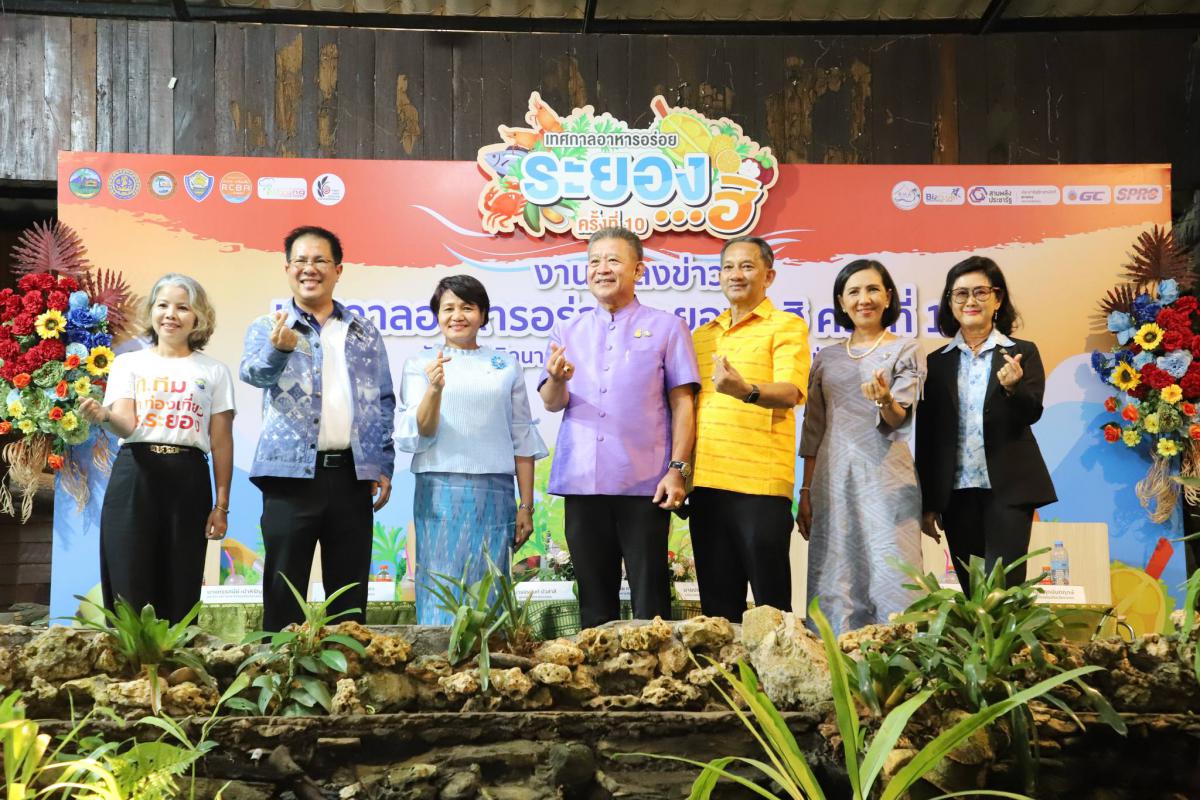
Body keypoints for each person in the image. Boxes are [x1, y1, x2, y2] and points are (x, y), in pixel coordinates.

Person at [539, 226, 699, 629]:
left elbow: (683, 403)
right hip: (582, 482)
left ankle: (656, 669)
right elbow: (552, 402)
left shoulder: (668, 327)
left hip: (645, 483)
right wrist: (556, 378)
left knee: (650, 601)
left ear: (638, 270)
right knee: (593, 603)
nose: (602, 269)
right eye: (594, 261)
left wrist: (678, 469)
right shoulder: (567, 330)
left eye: (613, 260)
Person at [240, 226, 395, 632]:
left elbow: (383, 401)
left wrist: (383, 464)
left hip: (351, 476)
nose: (310, 268)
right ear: (287, 268)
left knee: (349, 599)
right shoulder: (268, 325)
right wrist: (279, 348)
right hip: (289, 477)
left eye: (320, 260)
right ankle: (280, 671)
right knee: (284, 592)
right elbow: (253, 374)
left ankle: (348, 670)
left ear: (338, 270)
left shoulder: (364, 331)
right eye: (301, 261)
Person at [79, 274, 234, 624]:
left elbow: (222, 441)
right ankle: (128, 656)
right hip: (135, 474)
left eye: (183, 307)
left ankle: (176, 657)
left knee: (181, 580)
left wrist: (221, 505)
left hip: (188, 477)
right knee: (129, 576)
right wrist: (105, 416)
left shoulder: (214, 371)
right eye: (163, 305)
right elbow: (126, 423)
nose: (171, 314)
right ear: (151, 311)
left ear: (198, 317)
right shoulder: (129, 363)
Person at [397, 275, 548, 624]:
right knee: (440, 584)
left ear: (482, 314)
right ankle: (439, 654)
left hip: (494, 493)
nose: (457, 316)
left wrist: (526, 505)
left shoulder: (505, 365)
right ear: (437, 315)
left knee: (490, 588)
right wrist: (434, 389)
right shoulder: (420, 363)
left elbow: (521, 436)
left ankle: (490, 657)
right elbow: (423, 430)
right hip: (438, 490)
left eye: (467, 307)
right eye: (448, 308)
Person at [797, 259, 929, 634]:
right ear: (841, 301)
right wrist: (805, 490)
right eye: (853, 292)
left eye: (872, 289)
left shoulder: (907, 349)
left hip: (886, 478)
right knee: (835, 572)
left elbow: (898, 418)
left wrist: (884, 400)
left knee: (894, 568)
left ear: (888, 296)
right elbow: (813, 429)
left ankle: (899, 654)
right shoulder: (826, 358)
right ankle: (835, 658)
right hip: (832, 480)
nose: (863, 299)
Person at [916, 255, 1056, 593]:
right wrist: (929, 503)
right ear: (950, 303)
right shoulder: (936, 363)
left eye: (980, 292)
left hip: (1007, 488)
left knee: (1002, 590)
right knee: (972, 591)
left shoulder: (1021, 352)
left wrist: (1012, 388)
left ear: (998, 298)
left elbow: (1032, 412)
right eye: (960, 293)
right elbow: (928, 437)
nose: (971, 301)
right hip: (956, 492)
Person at [690, 236, 811, 622]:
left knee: (772, 611)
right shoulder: (703, 335)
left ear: (768, 276)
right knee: (717, 614)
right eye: (728, 267)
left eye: (747, 266)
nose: (736, 275)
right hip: (706, 484)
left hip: (760, 487)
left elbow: (790, 392)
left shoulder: (787, 326)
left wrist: (746, 390)